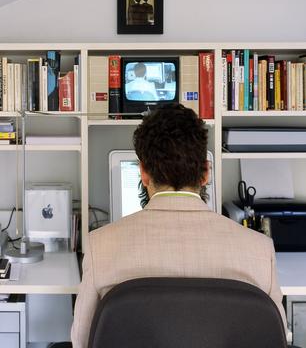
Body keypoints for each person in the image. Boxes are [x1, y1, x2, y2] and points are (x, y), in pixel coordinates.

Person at [71, 103, 287, 348]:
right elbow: (274, 339)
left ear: (143, 173)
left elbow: (82, 341)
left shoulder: (100, 245)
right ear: (205, 173)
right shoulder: (260, 249)